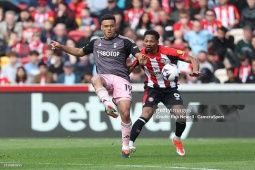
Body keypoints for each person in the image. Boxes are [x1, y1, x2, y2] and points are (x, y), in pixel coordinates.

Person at [51, 14, 147, 158]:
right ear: (101, 27)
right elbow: (79, 52)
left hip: (122, 79)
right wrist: (61, 47)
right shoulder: (95, 42)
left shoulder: (126, 42)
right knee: (95, 78)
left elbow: (138, 54)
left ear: (116, 26)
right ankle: (108, 104)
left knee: (125, 114)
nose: (109, 29)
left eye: (112, 26)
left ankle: (125, 146)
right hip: (105, 77)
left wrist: (141, 58)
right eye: (106, 26)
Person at [128, 30, 202, 156]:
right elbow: (127, 70)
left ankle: (177, 139)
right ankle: (129, 144)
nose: (148, 43)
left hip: (170, 89)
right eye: (146, 41)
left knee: (181, 116)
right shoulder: (140, 55)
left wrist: (195, 70)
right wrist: (138, 64)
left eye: (152, 41)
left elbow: (192, 59)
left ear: (157, 42)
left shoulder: (168, 52)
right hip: (152, 88)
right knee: (146, 113)